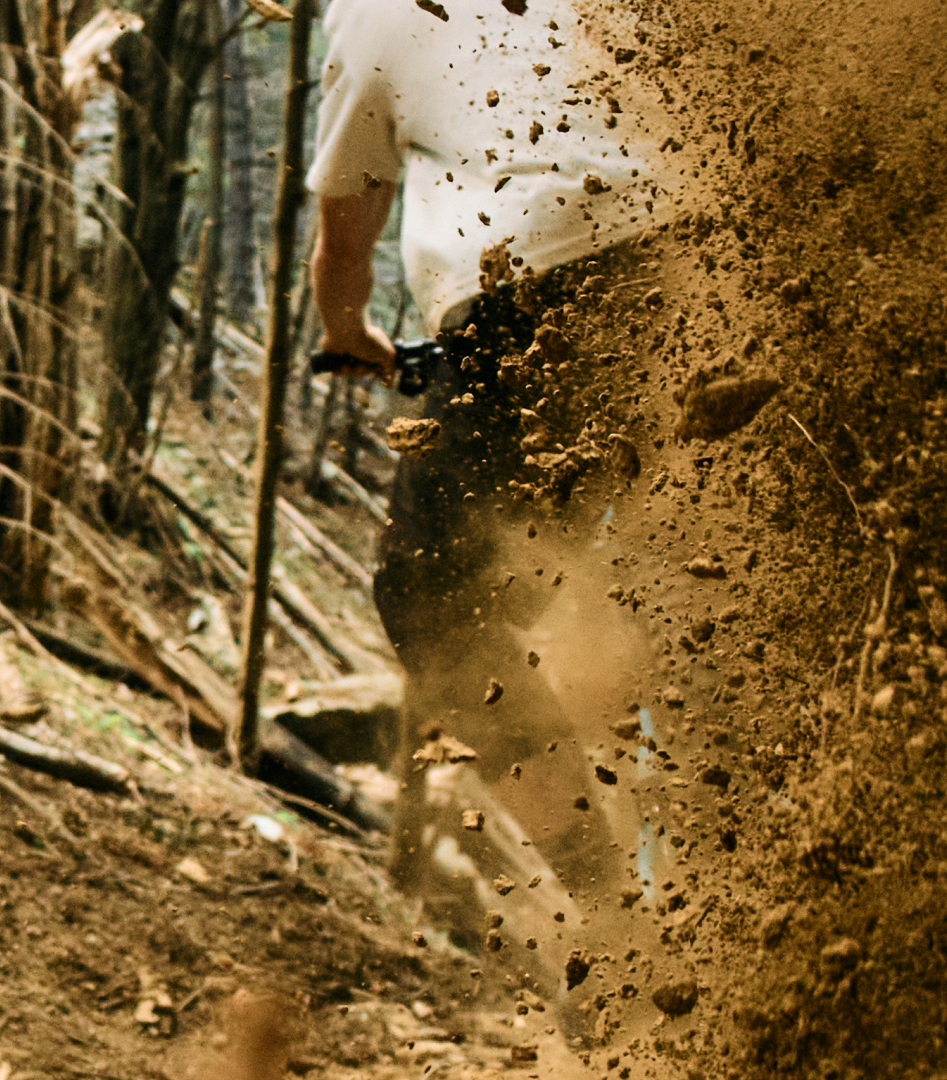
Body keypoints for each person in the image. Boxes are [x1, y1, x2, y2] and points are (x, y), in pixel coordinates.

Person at [304, 0, 671, 964]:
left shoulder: (374, 16)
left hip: (537, 305)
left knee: (434, 601)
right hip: (708, 268)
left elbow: (342, 246)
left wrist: (351, 337)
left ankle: (613, 911)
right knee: (685, 565)